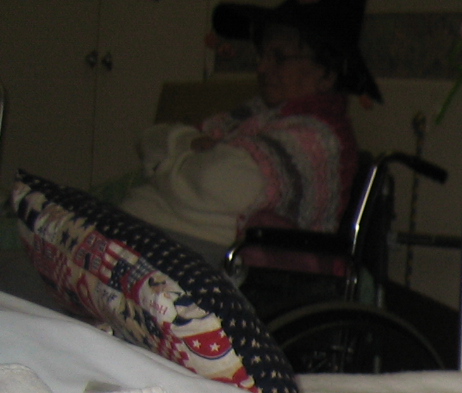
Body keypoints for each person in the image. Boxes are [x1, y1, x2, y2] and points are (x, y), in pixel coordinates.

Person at [121, 0, 379, 267]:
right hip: (158, 246)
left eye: (279, 57)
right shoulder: (254, 115)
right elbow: (149, 139)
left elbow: (217, 182)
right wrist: (187, 145)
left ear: (326, 74)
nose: (262, 68)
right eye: (263, 55)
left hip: (215, 271)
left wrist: (167, 163)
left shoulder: (320, 139)